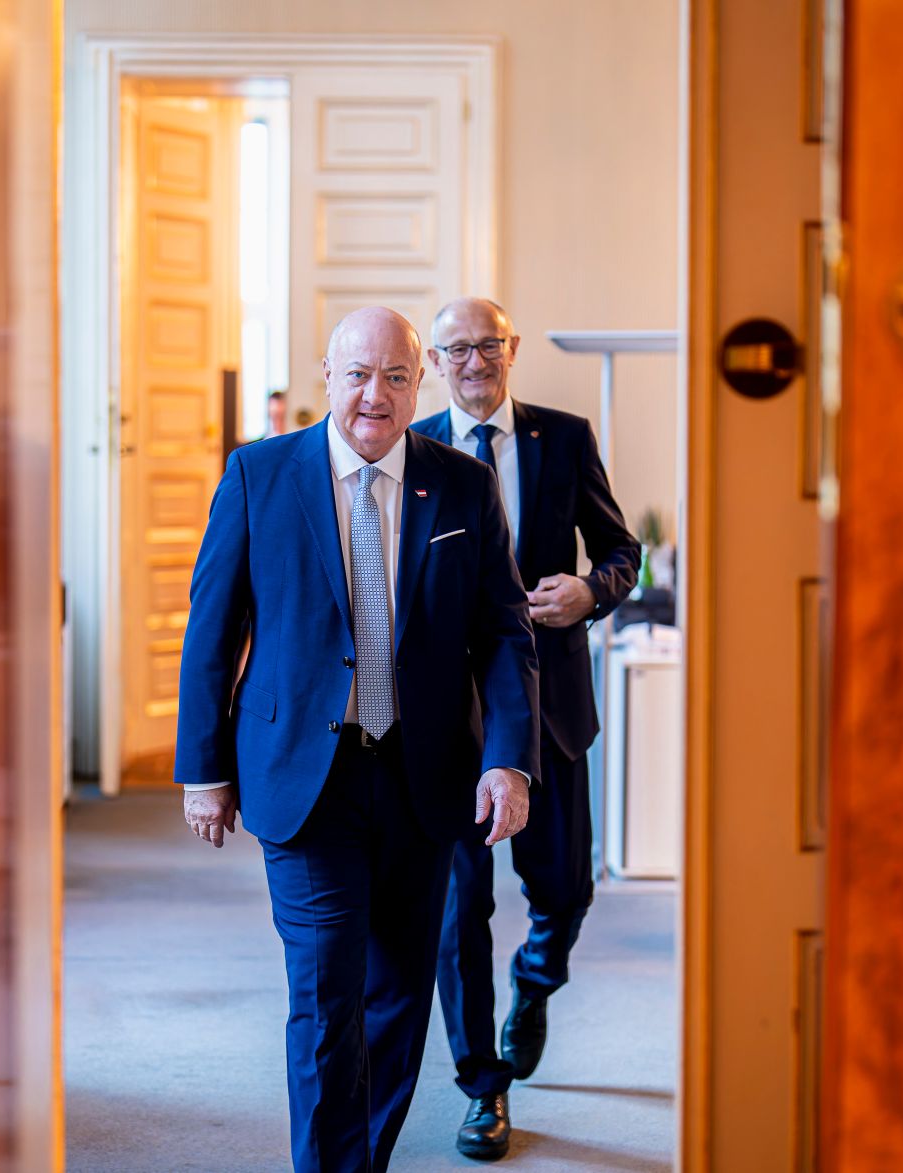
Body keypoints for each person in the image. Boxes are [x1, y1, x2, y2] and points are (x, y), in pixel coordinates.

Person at [175, 306, 541, 1172]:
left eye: (397, 377)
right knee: (325, 989)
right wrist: (203, 769)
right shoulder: (261, 476)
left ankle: (358, 1161)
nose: (375, 395)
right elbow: (212, 626)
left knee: (400, 995)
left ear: (423, 385)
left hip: (423, 777)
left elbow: (501, 633)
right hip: (306, 777)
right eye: (357, 374)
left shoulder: (459, 485)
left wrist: (508, 760)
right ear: (327, 377)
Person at [413, 297, 640, 1160]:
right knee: (457, 910)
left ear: (511, 350)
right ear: (436, 361)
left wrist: (592, 591)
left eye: (488, 345)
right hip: (449, 720)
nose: (474, 360)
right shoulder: (416, 444)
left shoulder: (564, 437)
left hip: (551, 706)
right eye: (457, 348)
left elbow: (623, 549)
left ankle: (536, 982)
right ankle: (482, 1085)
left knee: (565, 892)